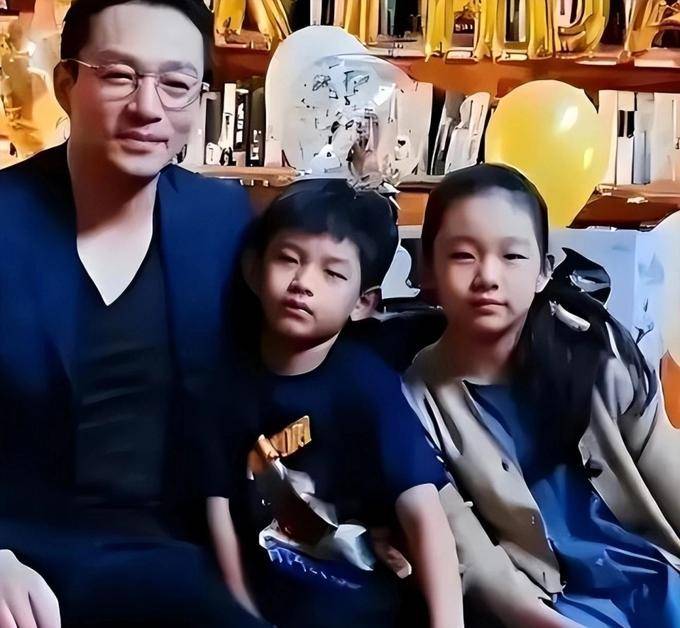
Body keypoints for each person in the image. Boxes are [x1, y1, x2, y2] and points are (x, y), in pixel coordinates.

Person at [0, 0, 267, 626]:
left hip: (174, 550)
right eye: (119, 76)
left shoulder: (221, 220)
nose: (149, 108)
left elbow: (281, 377)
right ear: (66, 84)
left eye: (176, 84)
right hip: (18, 545)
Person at [403, 164, 680, 627]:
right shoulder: (416, 399)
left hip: (656, 576)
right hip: (557, 605)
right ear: (428, 268)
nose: (488, 276)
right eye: (463, 256)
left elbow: (665, 463)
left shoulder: (594, 351)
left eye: (512, 256)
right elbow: (474, 560)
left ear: (543, 271)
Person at [207, 179, 464, 628]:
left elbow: (424, 513)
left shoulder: (367, 384)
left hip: (365, 605)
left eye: (333, 273)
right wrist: (242, 614)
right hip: (269, 600)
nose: (303, 283)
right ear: (253, 270)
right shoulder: (221, 385)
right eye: (288, 259)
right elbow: (219, 511)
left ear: (363, 303)